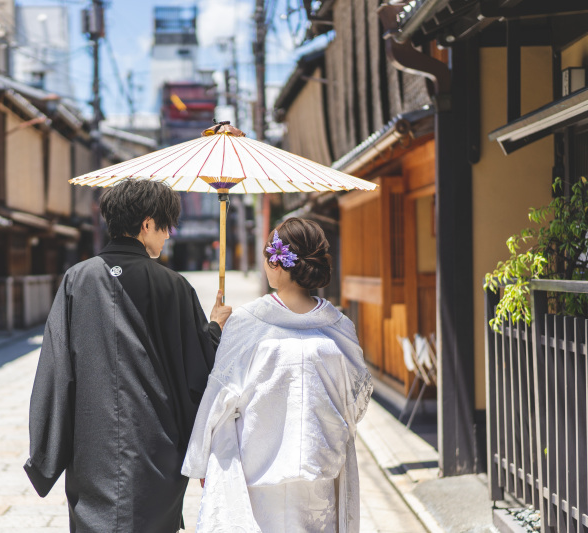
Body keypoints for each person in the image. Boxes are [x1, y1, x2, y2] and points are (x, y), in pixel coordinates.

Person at [24, 178, 232, 533]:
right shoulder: (174, 286)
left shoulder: (77, 280)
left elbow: (57, 370)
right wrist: (215, 328)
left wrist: (46, 452)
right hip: (154, 447)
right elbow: (198, 369)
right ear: (147, 224)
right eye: (166, 226)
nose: (168, 235)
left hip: (91, 446)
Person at [182, 217, 372, 533]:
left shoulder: (247, 322)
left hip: (258, 470)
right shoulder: (337, 326)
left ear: (278, 263)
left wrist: (202, 457)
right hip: (318, 471)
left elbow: (219, 397)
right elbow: (356, 400)